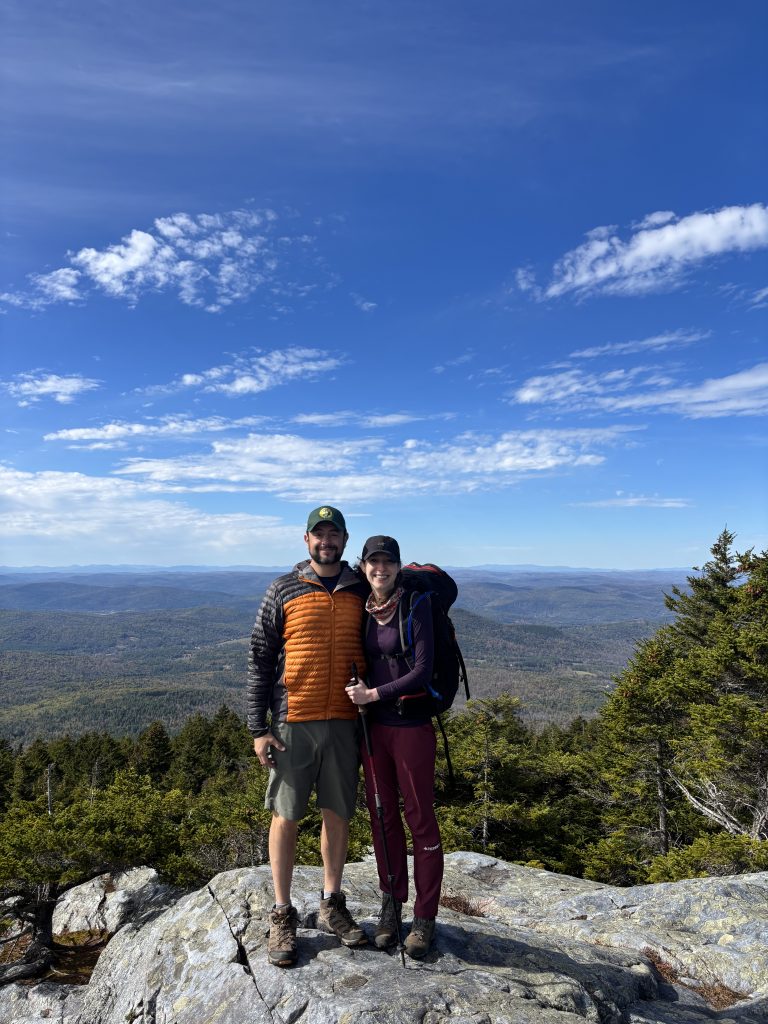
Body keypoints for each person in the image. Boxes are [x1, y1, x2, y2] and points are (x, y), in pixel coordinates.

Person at [248, 505, 369, 967]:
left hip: (344, 720)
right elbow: (259, 659)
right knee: (286, 816)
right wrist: (258, 728)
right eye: (319, 535)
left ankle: (331, 903)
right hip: (291, 721)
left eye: (333, 534)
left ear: (344, 538)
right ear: (306, 540)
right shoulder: (283, 589)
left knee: (337, 813)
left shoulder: (361, 587)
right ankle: (282, 913)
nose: (326, 541)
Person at [346, 535, 443, 959]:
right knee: (382, 818)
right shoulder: (364, 608)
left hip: (410, 726)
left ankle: (424, 918)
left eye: (387, 562)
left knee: (419, 818)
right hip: (374, 731)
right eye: (373, 562)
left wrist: (373, 695)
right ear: (363, 566)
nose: (379, 569)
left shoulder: (415, 606)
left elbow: (423, 669)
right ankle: (391, 907)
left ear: (398, 566)